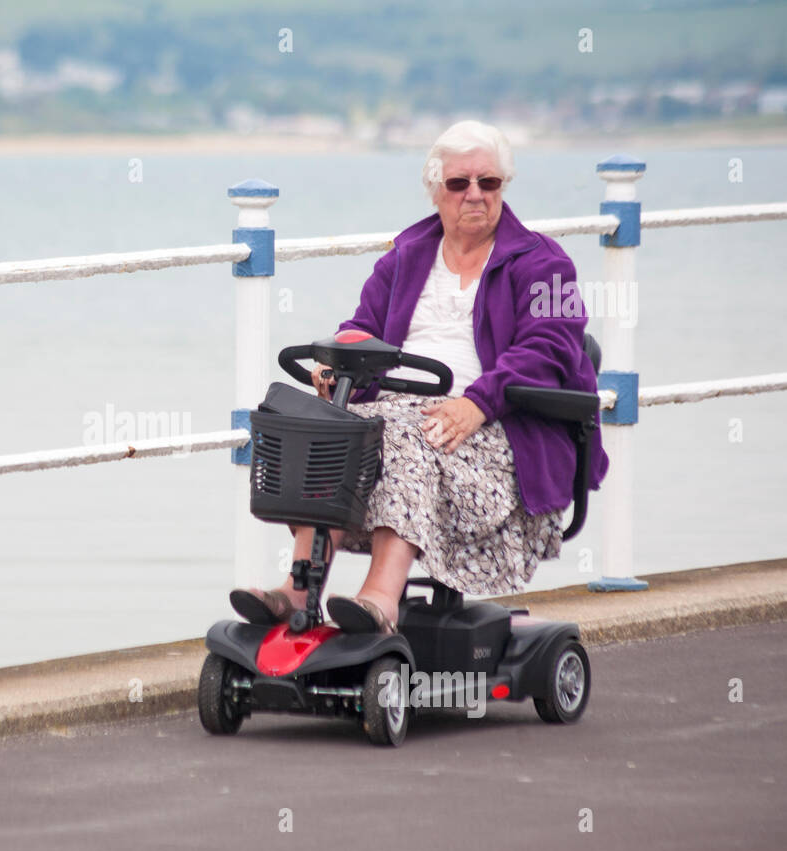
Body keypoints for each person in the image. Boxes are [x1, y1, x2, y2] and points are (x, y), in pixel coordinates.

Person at [230, 120, 608, 634]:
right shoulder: (405, 256)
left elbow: (552, 349)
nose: (474, 195)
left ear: (502, 188)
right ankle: (299, 590)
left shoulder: (546, 263)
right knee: (331, 428)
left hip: (501, 430)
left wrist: (477, 403)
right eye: (459, 184)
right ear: (437, 190)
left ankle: (380, 599)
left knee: (402, 435)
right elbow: (362, 328)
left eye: (488, 183)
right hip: (401, 415)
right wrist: (335, 363)